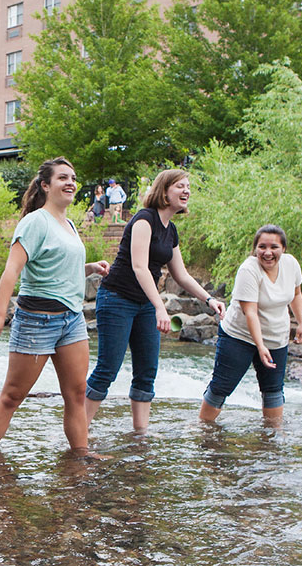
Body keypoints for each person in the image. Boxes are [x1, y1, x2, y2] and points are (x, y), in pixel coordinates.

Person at [0, 157, 110, 454]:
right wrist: (0, 314)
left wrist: (89, 267)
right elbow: (12, 270)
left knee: (77, 395)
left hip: (71, 320)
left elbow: (57, 266)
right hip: (37, 320)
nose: (71, 183)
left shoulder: (70, 223)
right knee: (12, 396)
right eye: (63, 178)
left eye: (73, 178)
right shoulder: (35, 221)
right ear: (45, 185)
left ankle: (80, 457)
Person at [84, 169, 225, 432]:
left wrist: (209, 300)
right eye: (180, 186)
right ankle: (78, 431)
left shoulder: (170, 231)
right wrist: (160, 306)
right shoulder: (143, 220)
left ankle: (140, 436)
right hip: (117, 298)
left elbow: (180, 275)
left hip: (144, 304)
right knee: (107, 369)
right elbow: (139, 267)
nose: (186, 191)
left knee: (147, 372)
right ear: (164, 190)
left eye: (188, 187)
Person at [199, 224, 302, 426]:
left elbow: (297, 293)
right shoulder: (248, 270)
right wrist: (260, 346)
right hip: (239, 335)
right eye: (262, 247)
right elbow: (251, 312)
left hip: (276, 336)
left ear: (283, 248)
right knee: (222, 385)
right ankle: (203, 429)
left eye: (274, 247)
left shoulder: (291, 264)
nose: (268, 252)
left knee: (273, 388)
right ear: (255, 249)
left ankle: (273, 438)